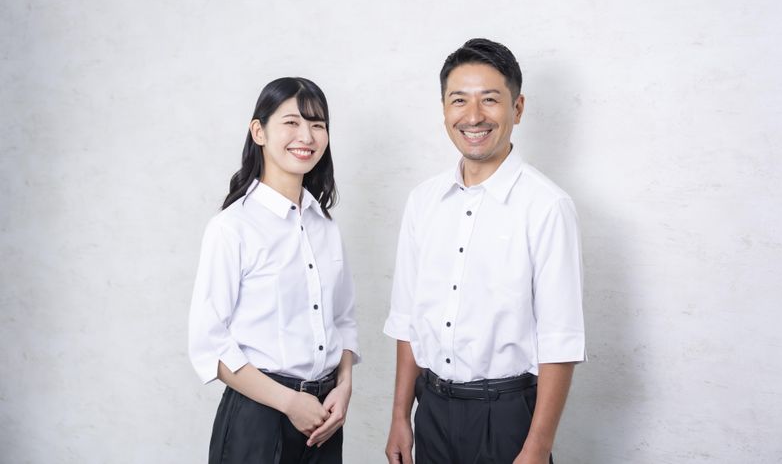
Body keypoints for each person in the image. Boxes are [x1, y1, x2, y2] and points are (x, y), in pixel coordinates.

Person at [384, 39, 586, 464]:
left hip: (507, 418)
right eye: (459, 100)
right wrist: (400, 416)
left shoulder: (547, 206)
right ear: (444, 109)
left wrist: (537, 448)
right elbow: (408, 319)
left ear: (518, 108)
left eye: (490, 100)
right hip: (431, 411)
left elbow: (560, 341)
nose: (473, 116)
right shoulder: (422, 201)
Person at [189, 77, 360, 464]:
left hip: (323, 418)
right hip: (259, 417)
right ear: (259, 131)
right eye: (292, 122)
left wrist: (344, 386)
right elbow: (209, 345)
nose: (307, 136)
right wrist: (289, 402)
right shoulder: (232, 228)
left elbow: (343, 320)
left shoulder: (325, 227)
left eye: (317, 124)